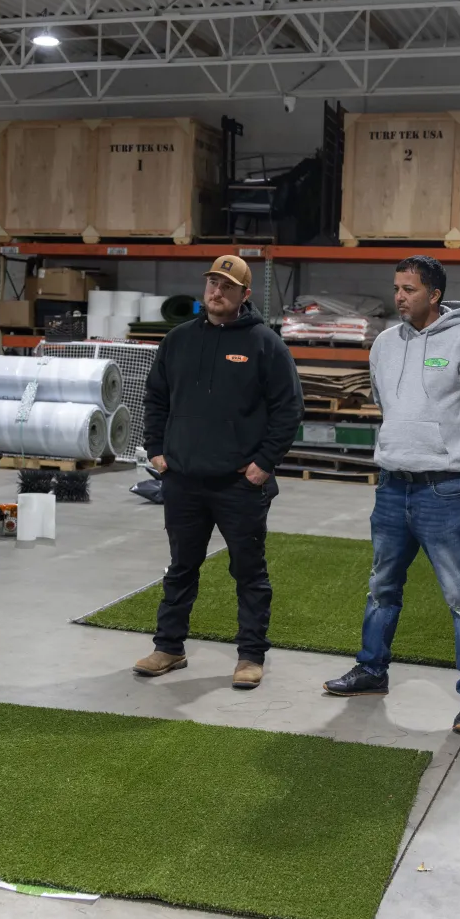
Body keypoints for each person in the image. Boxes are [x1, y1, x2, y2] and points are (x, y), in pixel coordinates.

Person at [322, 255, 460, 735]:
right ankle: (371, 669)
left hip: (442, 492)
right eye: (397, 287)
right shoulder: (384, 344)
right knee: (381, 586)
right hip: (391, 489)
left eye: (408, 289)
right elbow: (386, 401)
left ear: (434, 295)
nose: (399, 296)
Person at [136, 254, 302, 690]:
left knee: (249, 573)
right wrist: (157, 450)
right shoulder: (178, 340)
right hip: (183, 481)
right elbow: (156, 398)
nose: (216, 292)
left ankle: (251, 655)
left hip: (238, 484)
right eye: (212, 283)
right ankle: (169, 647)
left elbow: (289, 410)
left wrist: (263, 464)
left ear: (245, 295)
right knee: (180, 568)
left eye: (227, 286)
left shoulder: (265, 343)